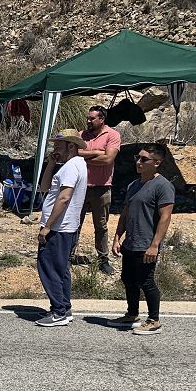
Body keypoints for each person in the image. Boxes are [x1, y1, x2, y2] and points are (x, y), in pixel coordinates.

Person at [110, 143, 176, 335]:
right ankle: (132, 314)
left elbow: (165, 217)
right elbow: (125, 213)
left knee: (146, 281)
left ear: (156, 163)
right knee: (128, 279)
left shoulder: (163, 186)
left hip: (147, 243)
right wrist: (116, 238)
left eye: (143, 159)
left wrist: (154, 245)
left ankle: (154, 320)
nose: (138, 162)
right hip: (131, 242)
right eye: (137, 158)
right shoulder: (134, 185)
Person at [35, 129, 89, 327]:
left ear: (71, 146)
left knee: (48, 267)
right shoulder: (73, 165)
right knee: (61, 269)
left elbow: (64, 197)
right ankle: (64, 308)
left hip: (59, 228)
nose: (55, 148)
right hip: (67, 227)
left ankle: (58, 311)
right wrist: (50, 163)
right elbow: (44, 187)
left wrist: (48, 226)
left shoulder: (71, 167)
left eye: (59, 145)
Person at [76, 106, 121, 275]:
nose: (88, 121)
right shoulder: (81, 135)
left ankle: (103, 259)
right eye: (88, 118)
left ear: (102, 119)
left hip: (102, 187)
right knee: (74, 223)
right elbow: (73, 154)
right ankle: (69, 254)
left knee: (101, 225)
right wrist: (96, 152)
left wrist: (84, 156)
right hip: (80, 186)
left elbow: (108, 159)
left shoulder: (113, 135)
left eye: (92, 118)